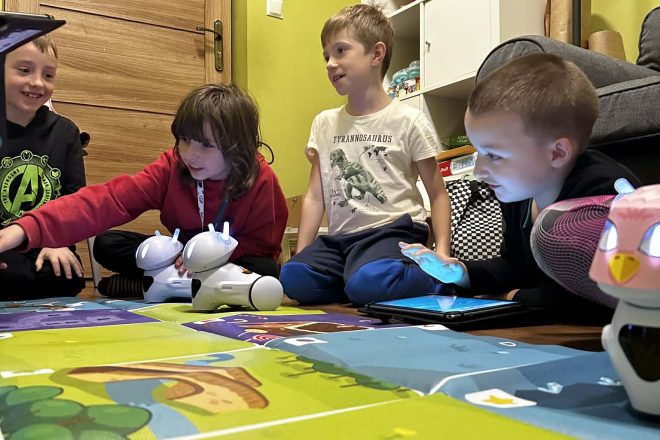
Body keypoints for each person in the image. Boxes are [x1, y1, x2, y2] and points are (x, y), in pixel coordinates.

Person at [400, 53, 641, 322]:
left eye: (494, 155)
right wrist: (460, 272)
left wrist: (511, 297)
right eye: (478, 152)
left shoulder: (602, 199)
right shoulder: (520, 194)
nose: (478, 171)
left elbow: (598, 298)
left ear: (557, 153)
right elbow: (515, 265)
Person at [0, 84, 288, 297]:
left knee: (265, 268)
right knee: (107, 244)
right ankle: (187, 286)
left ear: (237, 147)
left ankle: (158, 284)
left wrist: (206, 255)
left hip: (230, 258)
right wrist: (22, 230)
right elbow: (108, 200)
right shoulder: (172, 167)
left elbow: (263, 245)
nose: (190, 154)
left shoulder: (261, 179)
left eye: (206, 145)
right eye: (185, 140)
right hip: (181, 256)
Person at [279, 4, 451, 306]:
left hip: (392, 232)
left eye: (340, 50)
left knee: (370, 281)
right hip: (341, 240)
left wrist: (442, 255)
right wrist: (302, 253)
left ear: (376, 54)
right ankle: (354, 281)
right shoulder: (324, 123)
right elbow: (315, 196)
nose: (330, 63)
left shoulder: (408, 121)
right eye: (326, 56)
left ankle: (429, 281)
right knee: (292, 276)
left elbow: (437, 194)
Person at [0, 35, 86, 299]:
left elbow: (75, 201)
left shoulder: (65, 132)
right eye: (24, 70)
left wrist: (57, 242)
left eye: (48, 75)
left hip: (45, 247)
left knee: (64, 272)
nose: (38, 82)